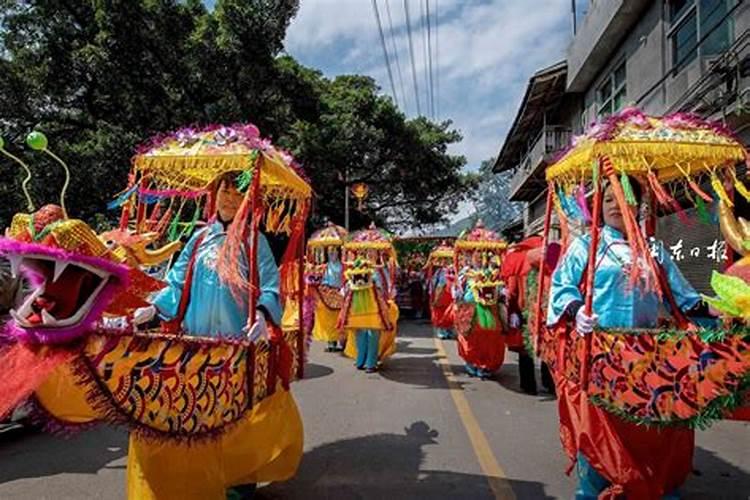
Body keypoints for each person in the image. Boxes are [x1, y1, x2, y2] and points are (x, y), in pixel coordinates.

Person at [130, 171, 302, 500]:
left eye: (236, 193)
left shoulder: (255, 241)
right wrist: (153, 308)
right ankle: (201, 477)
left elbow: (269, 286)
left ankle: (238, 479)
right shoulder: (198, 240)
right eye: (223, 190)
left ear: (247, 200)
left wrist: (264, 317)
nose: (227, 198)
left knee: (236, 418)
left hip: (237, 343)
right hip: (196, 342)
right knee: (198, 414)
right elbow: (177, 283)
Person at [547, 177, 708, 499]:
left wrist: (721, 311)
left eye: (625, 199)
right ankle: (596, 484)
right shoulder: (586, 246)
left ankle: (651, 481)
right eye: (609, 200)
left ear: (638, 206)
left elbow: (684, 297)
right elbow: (561, 287)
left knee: (650, 426)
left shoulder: (654, 249)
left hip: (648, 355)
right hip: (600, 352)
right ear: (599, 207)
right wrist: (577, 309)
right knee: (602, 427)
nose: (617, 206)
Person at [312, 246, 344, 352]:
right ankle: (331, 342)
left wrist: (342, 289)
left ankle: (343, 340)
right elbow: (322, 279)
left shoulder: (343, 266)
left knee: (340, 318)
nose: (332, 254)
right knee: (329, 319)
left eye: (334, 251)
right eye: (330, 252)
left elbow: (345, 278)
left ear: (338, 252)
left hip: (341, 293)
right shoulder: (325, 267)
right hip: (328, 294)